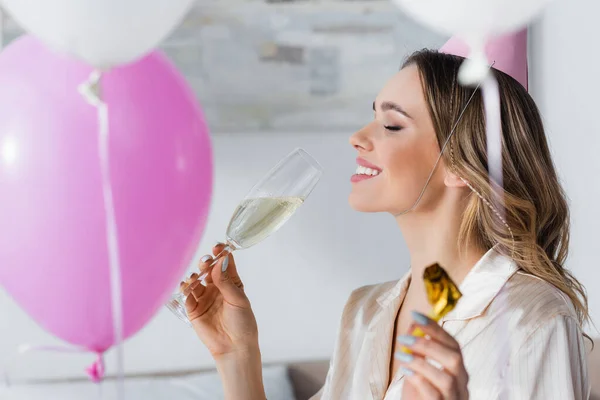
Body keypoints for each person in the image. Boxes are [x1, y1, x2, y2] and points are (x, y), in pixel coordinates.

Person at [179, 32, 591, 400]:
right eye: (374, 116)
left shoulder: (533, 320)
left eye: (392, 125)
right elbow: (444, 291)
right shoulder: (365, 312)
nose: (358, 137)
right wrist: (237, 356)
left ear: (462, 166)